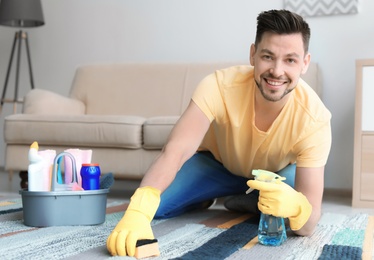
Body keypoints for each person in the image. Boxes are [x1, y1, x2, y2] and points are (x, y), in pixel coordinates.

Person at [107, 9, 332, 257]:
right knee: (156, 207)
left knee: (294, 215)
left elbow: (310, 224)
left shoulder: (315, 119)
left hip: (276, 177)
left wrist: (299, 208)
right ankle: (219, 197)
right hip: (216, 166)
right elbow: (175, 151)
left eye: (290, 60)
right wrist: (138, 213)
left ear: (305, 63)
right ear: (253, 55)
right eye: (268, 56)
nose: (277, 71)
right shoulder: (218, 85)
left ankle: (249, 198)